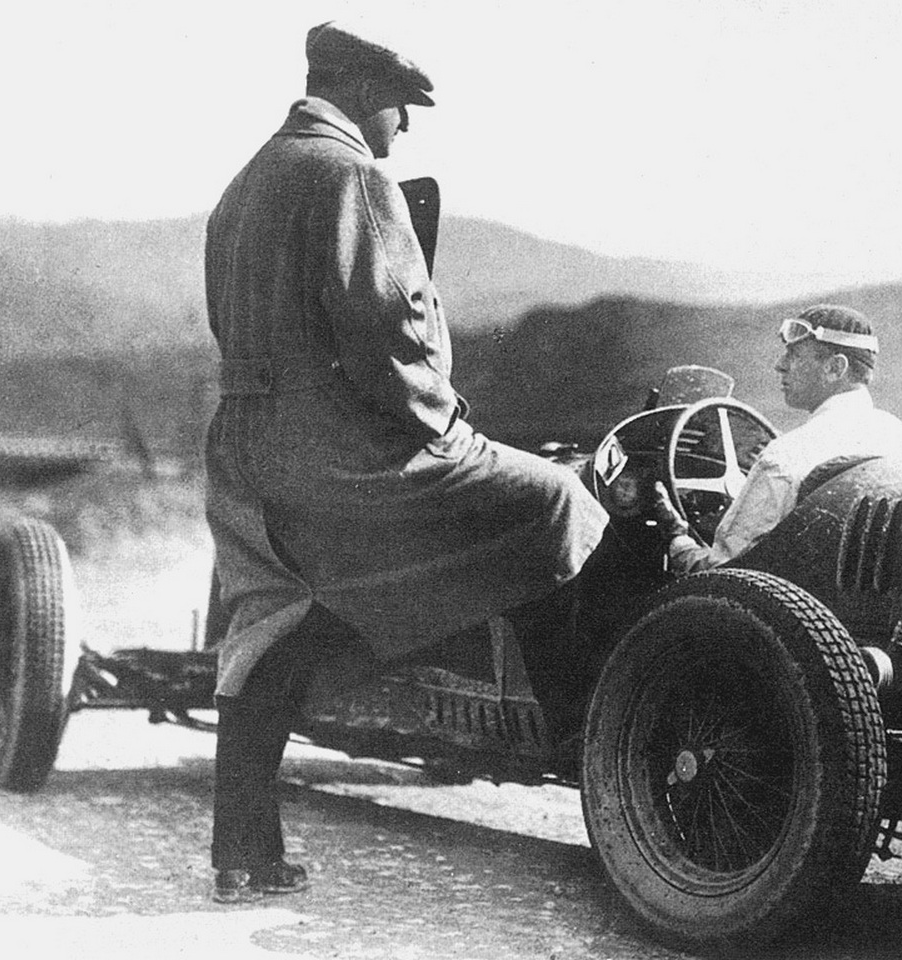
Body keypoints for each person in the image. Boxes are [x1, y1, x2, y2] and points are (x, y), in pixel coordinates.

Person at [203, 19, 610, 903]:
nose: (406, 125)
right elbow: (392, 330)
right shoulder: (351, 176)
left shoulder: (247, 181)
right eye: (399, 105)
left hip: (245, 446)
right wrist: (445, 419)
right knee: (555, 503)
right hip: (339, 455)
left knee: (275, 625)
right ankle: (597, 766)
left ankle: (243, 853)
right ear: (359, 93)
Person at [654, 304, 902, 572]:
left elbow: (725, 572)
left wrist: (679, 541)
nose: (780, 365)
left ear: (834, 368)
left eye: (794, 355)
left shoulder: (787, 456)